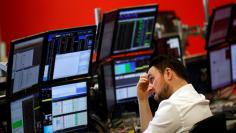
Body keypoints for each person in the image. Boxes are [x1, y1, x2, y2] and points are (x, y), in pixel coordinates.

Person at [137, 55, 212, 133]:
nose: (150, 87)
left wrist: (141, 100)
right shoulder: (198, 97)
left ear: (168, 73)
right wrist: (143, 99)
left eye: (152, 79)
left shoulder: (172, 106)